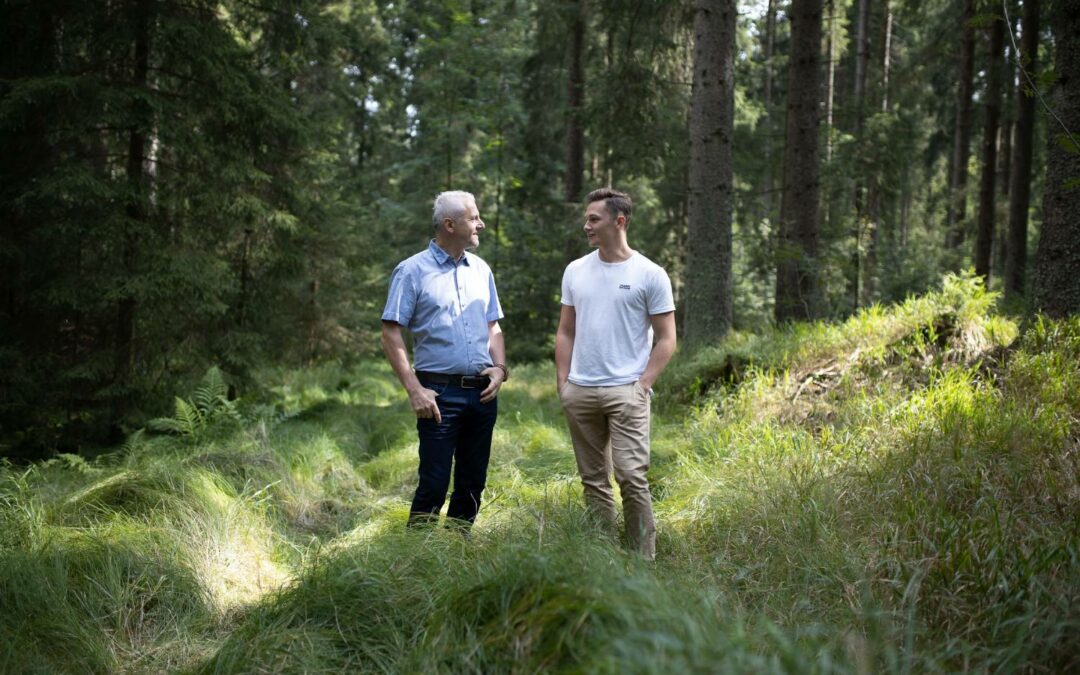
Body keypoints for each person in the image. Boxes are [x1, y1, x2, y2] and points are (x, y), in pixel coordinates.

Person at [555, 187, 677, 561]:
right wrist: (564, 384)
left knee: (631, 477)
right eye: (586, 218)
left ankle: (643, 559)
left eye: (594, 219)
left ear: (619, 221)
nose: (586, 225)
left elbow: (667, 338)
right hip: (581, 391)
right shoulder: (576, 270)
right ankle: (602, 555)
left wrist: (642, 386)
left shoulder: (650, 274)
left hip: (627, 392)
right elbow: (566, 331)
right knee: (593, 481)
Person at [381, 190, 508, 529]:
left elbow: (492, 326)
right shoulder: (411, 271)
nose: (480, 223)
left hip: (483, 394)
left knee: (471, 486)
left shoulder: (481, 270)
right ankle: (416, 561)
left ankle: (456, 555)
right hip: (438, 394)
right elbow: (391, 332)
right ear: (450, 225)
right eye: (474, 218)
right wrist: (414, 390)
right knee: (434, 485)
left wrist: (500, 368)